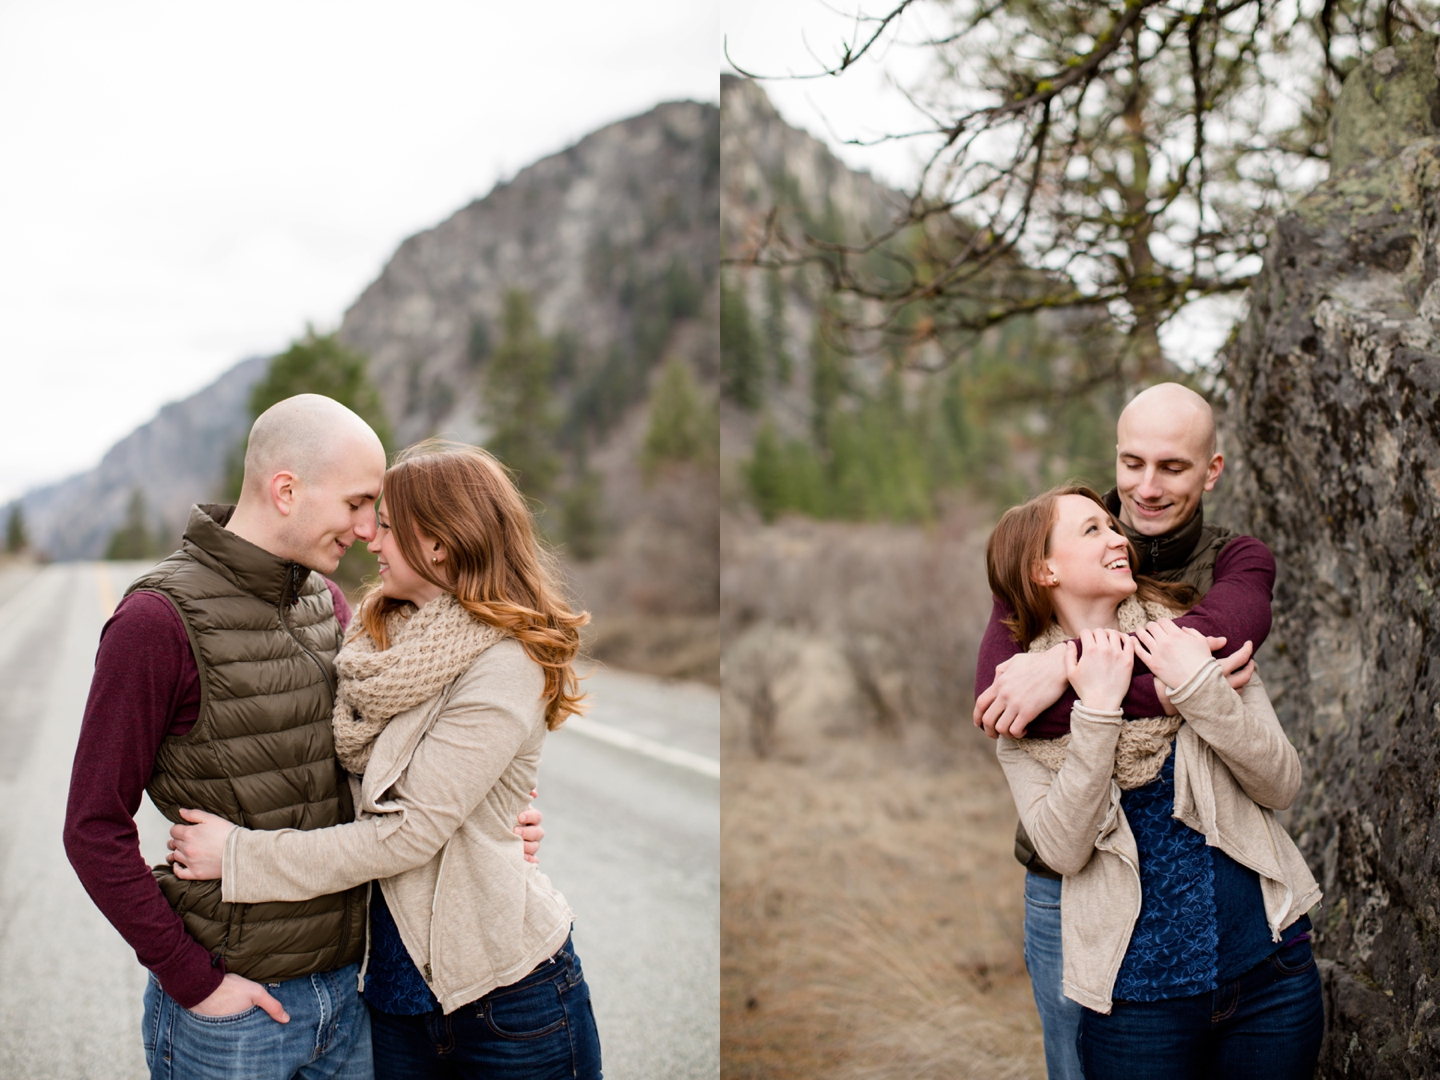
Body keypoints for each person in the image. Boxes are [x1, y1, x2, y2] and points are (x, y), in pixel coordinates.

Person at [63, 397, 545, 1080]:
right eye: (356, 504)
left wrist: (487, 824)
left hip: (354, 998)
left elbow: (390, 786)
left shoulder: (330, 605)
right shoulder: (155, 623)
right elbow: (91, 828)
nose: (367, 529)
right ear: (286, 490)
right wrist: (195, 983)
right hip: (236, 1016)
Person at [165, 440, 603, 1080]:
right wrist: (497, 820)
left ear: (440, 545)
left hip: (506, 1003)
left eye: (390, 525)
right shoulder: (375, 639)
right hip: (391, 1003)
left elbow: (407, 832)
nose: (369, 534)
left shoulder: (505, 663)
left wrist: (238, 857)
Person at [971, 383, 1275, 1079]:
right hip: (1068, 874)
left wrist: (1068, 663)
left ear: (1212, 469)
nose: (1144, 488)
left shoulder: (1240, 561)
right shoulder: (1044, 541)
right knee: (1077, 1065)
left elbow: (1214, 642)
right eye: (1131, 462)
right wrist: (1173, 684)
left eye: (1172, 467)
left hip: (1199, 867)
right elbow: (1005, 705)